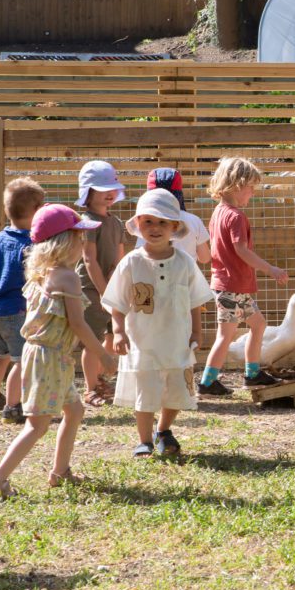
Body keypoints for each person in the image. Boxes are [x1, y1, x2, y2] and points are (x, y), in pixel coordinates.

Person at [0, 205, 116, 497]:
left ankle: (60, 472)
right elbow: (78, 324)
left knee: (75, 410)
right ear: (64, 241)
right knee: (37, 425)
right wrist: (103, 355)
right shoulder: (68, 277)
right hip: (50, 358)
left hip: (48, 356)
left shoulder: (42, 273)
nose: (83, 242)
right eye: (79, 237)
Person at [104, 189, 214, 458]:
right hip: (143, 343)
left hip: (176, 340)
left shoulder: (185, 262)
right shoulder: (131, 262)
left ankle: (163, 430)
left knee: (176, 389)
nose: (155, 228)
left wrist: (197, 331)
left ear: (174, 227)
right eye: (148, 221)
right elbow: (116, 301)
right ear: (138, 224)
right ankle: (144, 441)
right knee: (146, 392)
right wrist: (118, 332)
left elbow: (195, 300)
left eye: (163, 222)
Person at [197, 157, 289, 396]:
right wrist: (270, 269)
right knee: (225, 336)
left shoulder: (218, 213)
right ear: (238, 185)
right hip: (232, 286)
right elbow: (241, 250)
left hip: (229, 285)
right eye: (251, 187)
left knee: (258, 324)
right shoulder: (236, 216)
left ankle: (252, 373)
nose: (253, 193)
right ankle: (207, 382)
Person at [0, 178, 45, 424]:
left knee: (0, 356)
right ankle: (13, 407)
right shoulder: (34, 243)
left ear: (6, 209)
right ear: (37, 210)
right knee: (21, 361)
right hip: (16, 311)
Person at [74, 160, 127, 407]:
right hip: (91, 291)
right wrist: (105, 291)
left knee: (112, 335)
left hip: (112, 291)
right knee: (92, 341)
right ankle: (90, 388)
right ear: (88, 192)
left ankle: (101, 380)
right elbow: (89, 260)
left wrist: (118, 285)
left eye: (112, 188)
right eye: (102, 189)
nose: (109, 193)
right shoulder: (86, 222)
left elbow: (120, 259)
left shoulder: (116, 223)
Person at [134, 168, 211, 264]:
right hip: (186, 272)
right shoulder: (194, 220)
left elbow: (139, 256)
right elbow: (204, 258)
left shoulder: (147, 222)